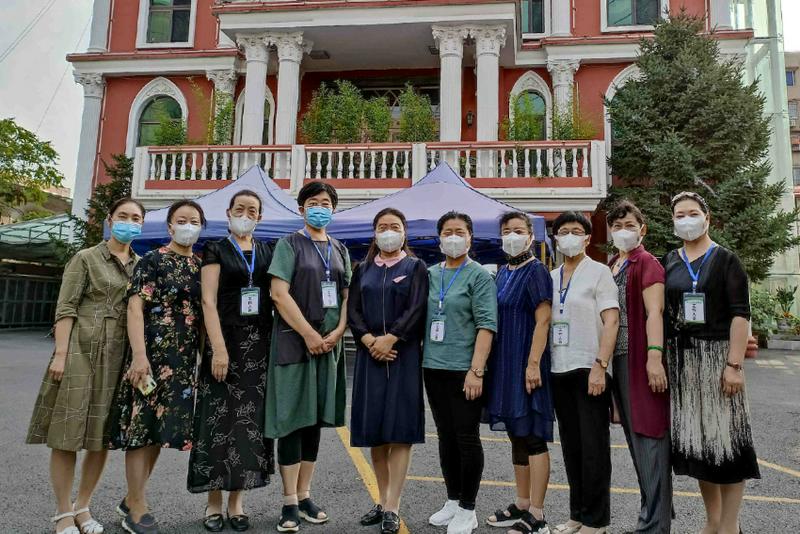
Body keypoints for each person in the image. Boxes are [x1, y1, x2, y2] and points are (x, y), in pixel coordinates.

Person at [27, 198, 144, 534]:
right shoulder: (86, 258)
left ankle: (83, 505)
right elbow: (66, 308)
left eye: (136, 218)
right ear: (110, 220)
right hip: (80, 350)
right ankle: (62, 512)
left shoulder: (140, 264)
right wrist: (61, 354)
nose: (129, 222)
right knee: (67, 433)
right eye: (123, 216)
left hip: (118, 355)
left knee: (100, 436)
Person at [107, 200, 205, 534]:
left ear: (201, 227)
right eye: (181, 220)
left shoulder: (200, 266)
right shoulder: (153, 261)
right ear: (169, 226)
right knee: (141, 429)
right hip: (150, 358)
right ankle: (136, 506)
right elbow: (135, 309)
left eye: (194, 221)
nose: (187, 225)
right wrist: (139, 356)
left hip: (182, 363)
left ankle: (132, 496)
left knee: (159, 432)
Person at [664, 192, 759, 534]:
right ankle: (712, 521)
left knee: (728, 444)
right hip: (684, 363)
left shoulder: (726, 260)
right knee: (702, 447)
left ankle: (730, 527)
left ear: (707, 217)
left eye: (692, 213)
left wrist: (734, 365)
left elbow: (739, 314)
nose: (685, 219)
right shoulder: (671, 260)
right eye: (679, 214)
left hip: (719, 360)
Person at [188, 190, 275, 532]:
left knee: (248, 425)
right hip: (224, 342)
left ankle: (237, 501)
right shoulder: (215, 249)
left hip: (259, 345)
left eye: (252, 210)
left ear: (260, 217)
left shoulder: (268, 250)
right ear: (228, 212)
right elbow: (207, 302)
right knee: (216, 422)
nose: (245, 214)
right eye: (240, 209)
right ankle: (212, 502)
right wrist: (218, 348)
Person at [267, 181, 351, 533]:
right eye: (313, 203)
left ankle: (304, 494)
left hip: (328, 346)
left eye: (326, 203)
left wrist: (337, 332)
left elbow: (347, 296)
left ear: (333, 209)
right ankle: (288, 500)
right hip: (295, 343)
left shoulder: (339, 248)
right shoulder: (289, 245)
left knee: (315, 421)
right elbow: (278, 294)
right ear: (302, 209)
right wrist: (309, 334)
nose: (321, 208)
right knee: (292, 420)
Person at [348, 208, 428, 534]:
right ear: (374, 233)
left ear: (405, 232)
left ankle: (393, 505)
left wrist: (392, 337)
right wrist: (369, 340)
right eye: (383, 227)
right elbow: (352, 309)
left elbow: (417, 307)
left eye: (395, 226)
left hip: (402, 355)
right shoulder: (363, 269)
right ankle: (381, 500)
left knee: (400, 431)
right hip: (369, 357)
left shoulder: (415, 267)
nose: (389, 232)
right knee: (376, 433)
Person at [424, 211, 497, 534]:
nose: (453, 237)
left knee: (467, 438)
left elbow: (486, 325)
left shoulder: (479, 275)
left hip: (464, 369)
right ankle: (452, 499)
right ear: (439, 238)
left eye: (460, 232)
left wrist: (476, 371)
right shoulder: (429, 274)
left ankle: (468, 507)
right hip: (433, 367)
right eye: (447, 232)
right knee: (445, 435)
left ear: (470, 238)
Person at [549, 211, 619, 534]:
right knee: (572, 447)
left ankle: (596, 520)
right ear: (555, 237)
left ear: (588, 238)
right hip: (559, 369)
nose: (569, 236)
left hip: (590, 369)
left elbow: (612, 321)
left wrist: (601, 365)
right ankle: (577, 514)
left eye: (576, 231)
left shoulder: (600, 273)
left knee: (594, 448)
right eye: (563, 231)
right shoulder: (551, 276)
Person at [485, 211, 553, 534]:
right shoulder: (502, 273)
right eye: (506, 231)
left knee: (533, 435)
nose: (512, 236)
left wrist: (533, 363)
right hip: (504, 365)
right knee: (516, 435)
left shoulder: (536, 272)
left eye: (518, 230)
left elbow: (543, 320)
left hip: (527, 365)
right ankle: (522, 503)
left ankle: (538, 513)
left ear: (530, 236)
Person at [606, 201, 671, 534]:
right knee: (636, 444)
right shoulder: (613, 264)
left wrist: (654, 358)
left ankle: (654, 526)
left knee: (650, 442)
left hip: (641, 361)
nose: (623, 231)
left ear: (642, 229)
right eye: (617, 226)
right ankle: (652, 516)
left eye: (629, 225)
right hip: (618, 364)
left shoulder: (646, 263)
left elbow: (655, 313)